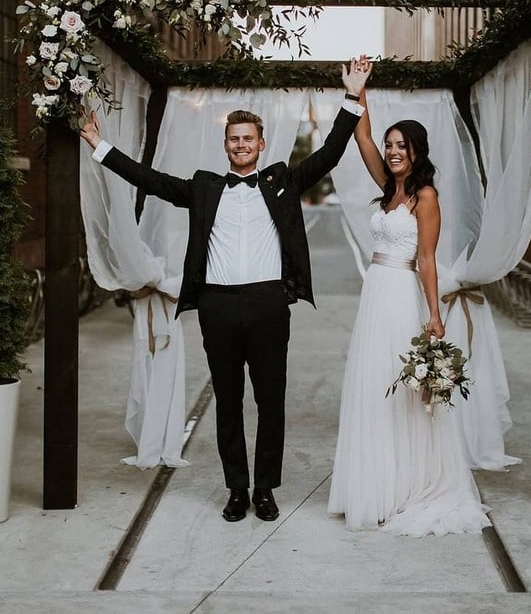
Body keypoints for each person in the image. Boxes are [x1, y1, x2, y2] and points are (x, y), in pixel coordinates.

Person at [80, 62, 370, 523]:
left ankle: (266, 489)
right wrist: (100, 146)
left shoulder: (283, 182)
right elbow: (150, 181)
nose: (241, 145)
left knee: (271, 401)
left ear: (260, 143)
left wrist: (352, 97)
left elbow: (330, 153)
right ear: (226, 145)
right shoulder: (202, 188)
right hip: (217, 305)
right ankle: (236, 488)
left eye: (248, 138)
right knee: (229, 401)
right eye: (234, 139)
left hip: (269, 304)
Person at [328, 55, 491, 536]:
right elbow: (361, 137)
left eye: (402, 146)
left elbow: (426, 258)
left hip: (401, 294)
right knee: (371, 385)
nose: (393, 151)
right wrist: (359, 90)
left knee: (401, 391)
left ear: (418, 150)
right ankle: (376, 484)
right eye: (391, 145)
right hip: (374, 294)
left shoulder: (425, 197)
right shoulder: (388, 188)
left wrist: (435, 317)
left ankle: (408, 485)